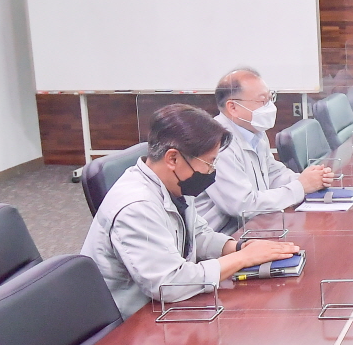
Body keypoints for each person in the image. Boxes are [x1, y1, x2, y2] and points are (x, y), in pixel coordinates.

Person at [82, 103, 300, 318]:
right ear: (173, 159)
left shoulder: (175, 183)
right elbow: (170, 284)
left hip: (163, 307)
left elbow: (197, 235)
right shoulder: (137, 206)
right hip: (131, 322)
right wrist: (242, 258)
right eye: (209, 162)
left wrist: (239, 247)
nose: (212, 171)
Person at [194, 68, 334, 236]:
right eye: (262, 101)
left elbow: (272, 173)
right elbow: (244, 205)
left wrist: (309, 179)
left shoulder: (254, 131)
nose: (270, 107)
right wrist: (300, 187)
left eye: (270, 98)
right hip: (225, 236)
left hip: (255, 225)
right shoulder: (217, 143)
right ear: (233, 107)